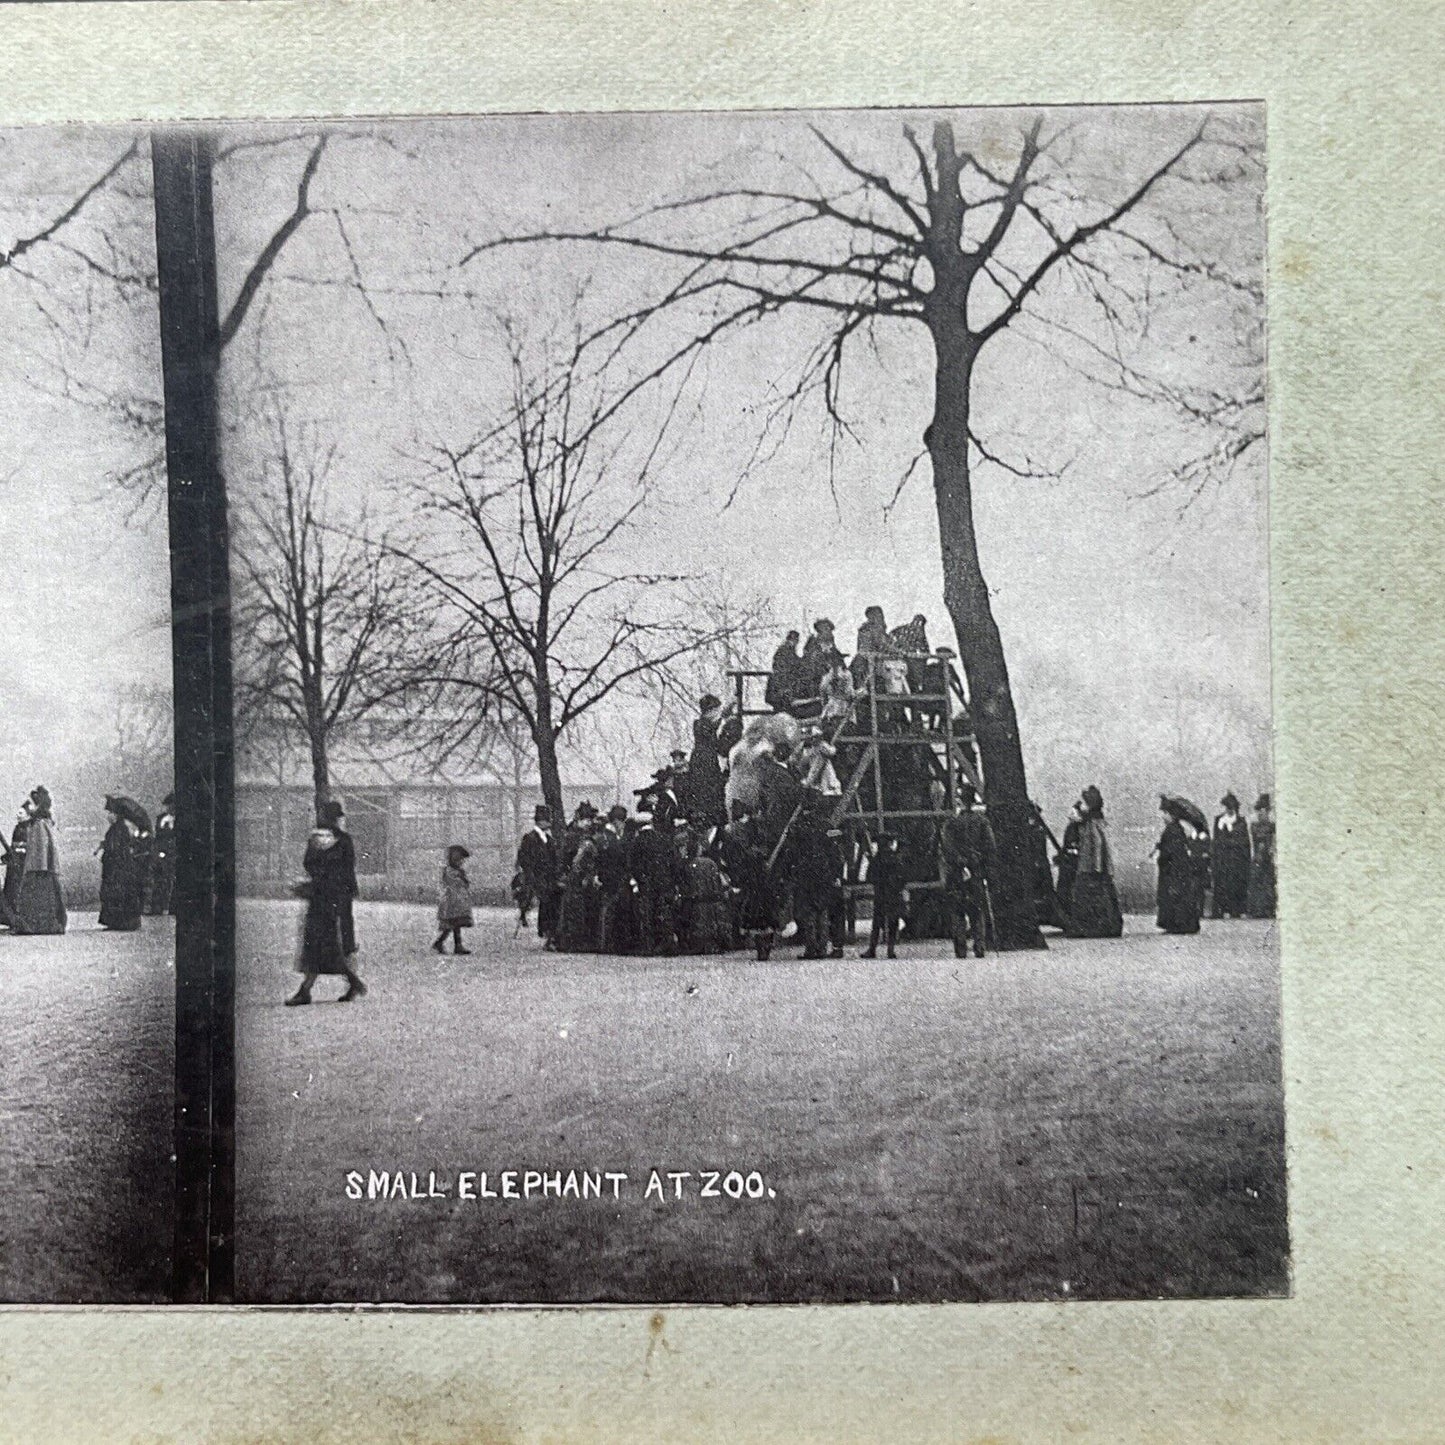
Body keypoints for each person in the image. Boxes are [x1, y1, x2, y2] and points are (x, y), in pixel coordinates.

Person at [287, 799, 366, 1004]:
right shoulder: (345, 840)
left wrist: (318, 879)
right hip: (340, 898)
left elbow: (308, 864)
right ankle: (351, 982)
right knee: (341, 941)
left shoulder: (314, 840)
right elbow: (349, 868)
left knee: (315, 941)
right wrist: (349, 890)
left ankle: (307, 989)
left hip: (320, 896)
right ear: (338, 819)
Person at [942, 787, 997, 958]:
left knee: (957, 910)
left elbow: (947, 848)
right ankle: (980, 946)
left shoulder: (951, 823)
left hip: (957, 872)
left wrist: (960, 863)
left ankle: (961, 948)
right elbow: (990, 846)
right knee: (977, 909)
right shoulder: (982, 822)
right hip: (976, 869)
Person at [719, 804, 778, 961]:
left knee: (753, 913)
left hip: (749, 879)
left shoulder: (736, 831)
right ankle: (765, 945)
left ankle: (760, 947)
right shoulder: (760, 829)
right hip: (762, 878)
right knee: (764, 913)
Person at [1063, 785, 1124, 938]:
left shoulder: (1091, 824)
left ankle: (1090, 928)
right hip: (1094, 866)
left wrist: (1094, 865)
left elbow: (1095, 846)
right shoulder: (1093, 821)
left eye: (1083, 803)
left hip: (1090, 867)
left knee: (1089, 895)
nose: (1080, 806)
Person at [788, 806, 844, 960]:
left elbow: (792, 852)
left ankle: (811, 948)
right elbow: (835, 852)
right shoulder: (827, 826)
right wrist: (836, 874)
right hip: (824, 874)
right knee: (822, 911)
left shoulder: (798, 826)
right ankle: (822, 948)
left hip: (806, 875)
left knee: (809, 913)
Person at [12, 788, 66, 935]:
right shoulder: (40, 823)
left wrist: (38, 867)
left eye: (30, 804)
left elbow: (41, 849)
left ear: (37, 806)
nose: (28, 807)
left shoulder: (39, 824)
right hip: (40, 867)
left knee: (37, 899)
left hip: (38, 869)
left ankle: (36, 926)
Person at [1155, 798, 1203, 934]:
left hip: (1174, 869)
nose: (1162, 816)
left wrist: (1162, 855)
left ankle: (1178, 925)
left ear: (1170, 814)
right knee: (1178, 895)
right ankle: (1179, 924)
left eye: (1164, 813)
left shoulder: (1172, 829)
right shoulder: (1175, 828)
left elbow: (1171, 850)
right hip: (1177, 868)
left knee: (1174, 896)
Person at [516, 805, 562, 945]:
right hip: (536, 877)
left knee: (552, 901)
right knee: (547, 901)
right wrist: (531, 875)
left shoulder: (548, 838)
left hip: (548, 877)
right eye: (547, 820)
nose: (549, 823)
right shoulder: (529, 838)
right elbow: (524, 859)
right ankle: (547, 932)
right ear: (540, 821)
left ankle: (549, 932)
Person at [98, 797, 146, 932]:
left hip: (118, 867)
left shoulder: (119, 828)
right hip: (119, 866)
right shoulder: (118, 827)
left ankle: (120, 922)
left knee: (118, 892)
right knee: (117, 893)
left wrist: (106, 846)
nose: (109, 815)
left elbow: (116, 847)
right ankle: (118, 922)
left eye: (111, 812)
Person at [594, 805, 634, 953]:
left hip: (606, 878)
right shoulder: (612, 839)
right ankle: (607, 943)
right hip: (612, 879)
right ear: (618, 821)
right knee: (609, 911)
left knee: (607, 911)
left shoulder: (603, 837)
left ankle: (605, 942)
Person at [861, 831, 905, 959]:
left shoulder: (876, 860)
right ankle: (891, 950)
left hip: (880, 894)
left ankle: (872, 949)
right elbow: (903, 878)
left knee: (877, 924)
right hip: (894, 895)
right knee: (892, 923)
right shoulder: (896, 859)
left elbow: (870, 877)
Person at [1211, 792, 1251, 919]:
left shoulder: (1241, 821)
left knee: (1238, 884)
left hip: (1238, 859)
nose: (1229, 810)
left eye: (1231, 808)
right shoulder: (1219, 820)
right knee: (1224, 884)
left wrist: (1230, 832)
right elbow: (1216, 841)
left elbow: (1244, 841)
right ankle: (1225, 909)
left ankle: (1239, 909)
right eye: (1227, 808)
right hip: (1224, 860)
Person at [433, 845, 474, 955]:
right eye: (459, 860)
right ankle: (442, 943)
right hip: (451, 902)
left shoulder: (458, 871)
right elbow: (455, 884)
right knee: (452, 925)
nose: (461, 862)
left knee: (455, 925)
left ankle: (454, 945)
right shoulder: (449, 871)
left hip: (458, 902)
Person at [1247, 793, 1277, 918]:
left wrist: (1271, 850)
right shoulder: (1255, 826)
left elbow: (1273, 841)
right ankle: (1256, 909)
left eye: (1263, 811)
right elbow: (1253, 841)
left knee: (1267, 882)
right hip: (1258, 856)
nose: (1261, 814)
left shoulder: (1272, 826)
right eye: (1259, 811)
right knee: (1256, 881)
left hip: (1267, 857)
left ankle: (1267, 909)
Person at [147, 793, 176, 915]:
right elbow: (158, 838)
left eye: (172, 806)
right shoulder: (161, 819)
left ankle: (174, 907)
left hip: (174, 854)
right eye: (168, 806)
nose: (169, 808)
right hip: (162, 854)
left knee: (174, 881)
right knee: (160, 880)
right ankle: (157, 907)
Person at [798, 619, 839, 701]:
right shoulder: (813, 642)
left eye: (829, 629)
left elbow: (835, 657)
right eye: (826, 629)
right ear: (820, 630)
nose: (829, 632)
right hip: (814, 675)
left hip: (828, 673)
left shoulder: (830, 643)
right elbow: (810, 658)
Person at [765, 630, 805, 714]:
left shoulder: (787, 651)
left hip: (781, 684)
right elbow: (787, 667)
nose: (795, 643)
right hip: (781, 684)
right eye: (793, 640)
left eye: (795, 640)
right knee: (782, 707)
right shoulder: (785, 651)